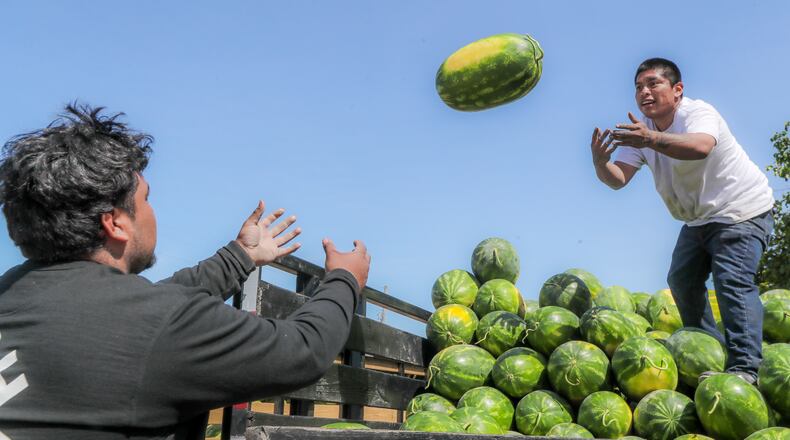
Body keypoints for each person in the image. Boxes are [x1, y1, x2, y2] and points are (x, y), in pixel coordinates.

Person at [0, 104, 371, 440]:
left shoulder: (18, 298)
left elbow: (153, 309)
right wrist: (344, 279)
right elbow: (304, 351)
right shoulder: (152, 326)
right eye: (145, 199)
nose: (151, 211)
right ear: (114, 223)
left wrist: (239, 256)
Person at [590, 58, 774, 384]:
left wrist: (650, 139)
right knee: (682, 280)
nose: (644, 92)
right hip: (698, 220)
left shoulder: (697, 113)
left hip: (741, 211)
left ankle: (747, 370)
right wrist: (601, 163)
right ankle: (711, 353)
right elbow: (618, 179)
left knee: (732, 281)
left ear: (677, 90)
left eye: (652, 84)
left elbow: (701, 146)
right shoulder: (642, 132)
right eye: (638, 87)